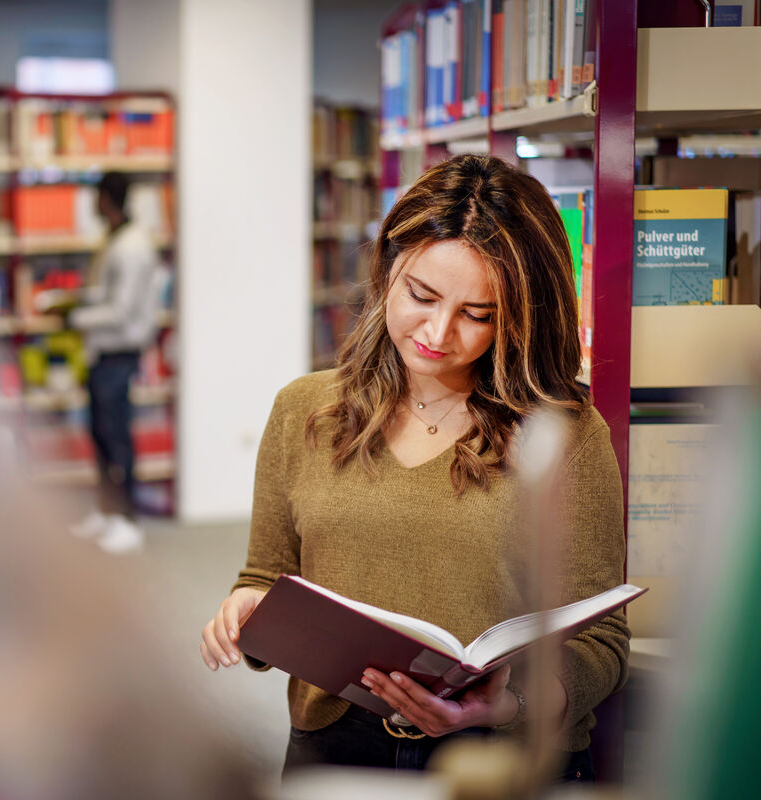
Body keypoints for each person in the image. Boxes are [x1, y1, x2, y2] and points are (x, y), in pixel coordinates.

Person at [199, 154, 629, 781]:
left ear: (520, 316)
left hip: (503, 754)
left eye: (478, 314)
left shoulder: (563, 435)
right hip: (335, 744)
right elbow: (267, 575)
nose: (437, 331)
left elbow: (602, 644)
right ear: (388, 270)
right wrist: (246, 608)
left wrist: (508, 702)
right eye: (420, 295)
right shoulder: (304, 410)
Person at [68, 172, 163, 554]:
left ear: (106, 199)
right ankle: (107, 511)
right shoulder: (116, 240)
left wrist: (75, 318)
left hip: (118, 352)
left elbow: (122, 311)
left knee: (117, 436)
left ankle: (127, 518)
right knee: (100, 435)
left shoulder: (131, 246)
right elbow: (108, 293)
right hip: (100, 352)